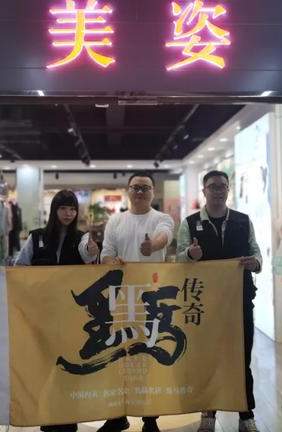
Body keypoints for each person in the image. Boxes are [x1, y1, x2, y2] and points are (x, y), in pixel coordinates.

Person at [176, 170, 262, 432]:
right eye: (212, 186)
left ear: (228, 190)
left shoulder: (243, 221)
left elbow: (256, 254)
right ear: (204, 191)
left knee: (242, 358)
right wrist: (190, 255)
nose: (218, 191)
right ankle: (208, 412)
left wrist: (255, 263)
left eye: (222, 186)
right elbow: (179, 259)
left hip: (240, 301)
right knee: (208, 358)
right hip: (204, 304)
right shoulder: (190, 223)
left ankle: (246, 415)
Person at [14, 189, 99, 432]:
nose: (68, 213)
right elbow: (20, 268)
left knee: (70, 367)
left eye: (72, 209)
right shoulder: (37, 237)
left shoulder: (82, 238)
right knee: (46, 366)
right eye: (63, 208)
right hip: (42, 316)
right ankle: (48, 418)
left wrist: (93, 252)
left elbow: (87, 257)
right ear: (54, 210)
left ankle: (69, 419)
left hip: (73, 317)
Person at [98, 172, 174, 432]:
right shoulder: (116, 221)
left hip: (152, 298)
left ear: (153, 192)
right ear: (128, 190)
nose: (140, 192)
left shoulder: (162, 218)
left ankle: (150, 418)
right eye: (135, 187)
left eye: (145, 187)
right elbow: (106, 254)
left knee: (148, 356)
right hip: (121, 300)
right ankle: (117, 414)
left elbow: (165, 236)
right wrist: (113, 261)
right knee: (119, 357)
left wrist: (152, 246)